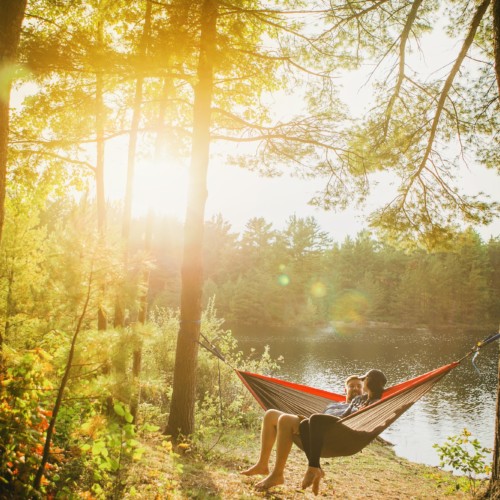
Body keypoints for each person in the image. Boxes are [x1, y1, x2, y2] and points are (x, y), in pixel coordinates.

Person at [240, 375, 364, 490]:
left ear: (364, 391)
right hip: (314, 429)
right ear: (345, 390)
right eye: (351, 386)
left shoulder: (362, 407)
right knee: (270, 415)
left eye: (359, 386)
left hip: (333, 438)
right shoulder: (333, 405)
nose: (355, 388)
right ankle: (262, 465)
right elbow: (321, 418)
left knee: (285, 420)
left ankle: (277, 475)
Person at [299, 369, 387, 495]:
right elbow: (346, 411)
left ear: (370, 382)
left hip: (349, 429)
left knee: (315, 418)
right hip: (342, 421)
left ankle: (312, 468)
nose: (362, 382)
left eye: (364, 379)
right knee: (303, 425)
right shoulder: (359, 398)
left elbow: (371, 420)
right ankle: (316, 467)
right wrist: (339, 418)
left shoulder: (377, 403)